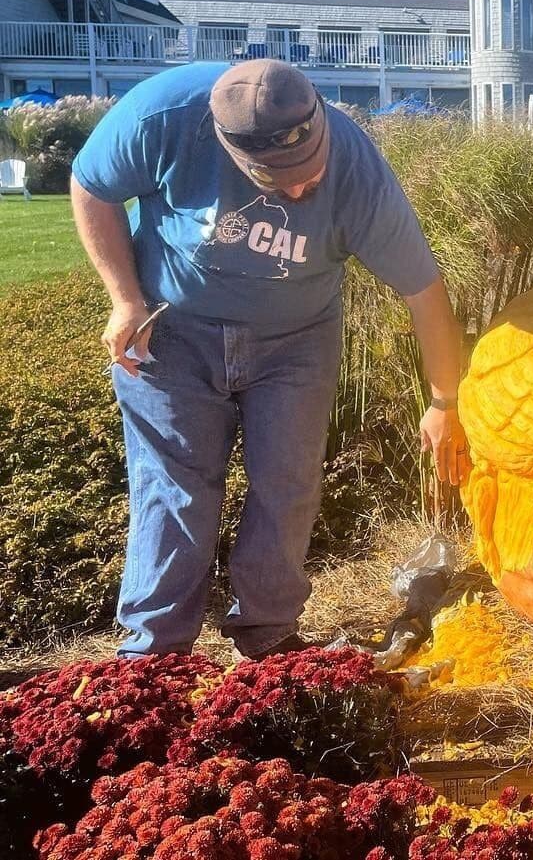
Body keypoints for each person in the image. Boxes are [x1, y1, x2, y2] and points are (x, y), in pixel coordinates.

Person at [70, 60, 471, 659]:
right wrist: (124, 299)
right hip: (172, 328)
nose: (301, 191)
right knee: (175, 488)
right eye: (278, 183)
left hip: (296, 340)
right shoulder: (162, 115)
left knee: (288, 483)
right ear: (230, 150)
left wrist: (445, 401)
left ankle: (268, 637)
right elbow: (90, 187)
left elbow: (425, 292)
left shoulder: (358, 171)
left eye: (311, 175)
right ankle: (154, 653)